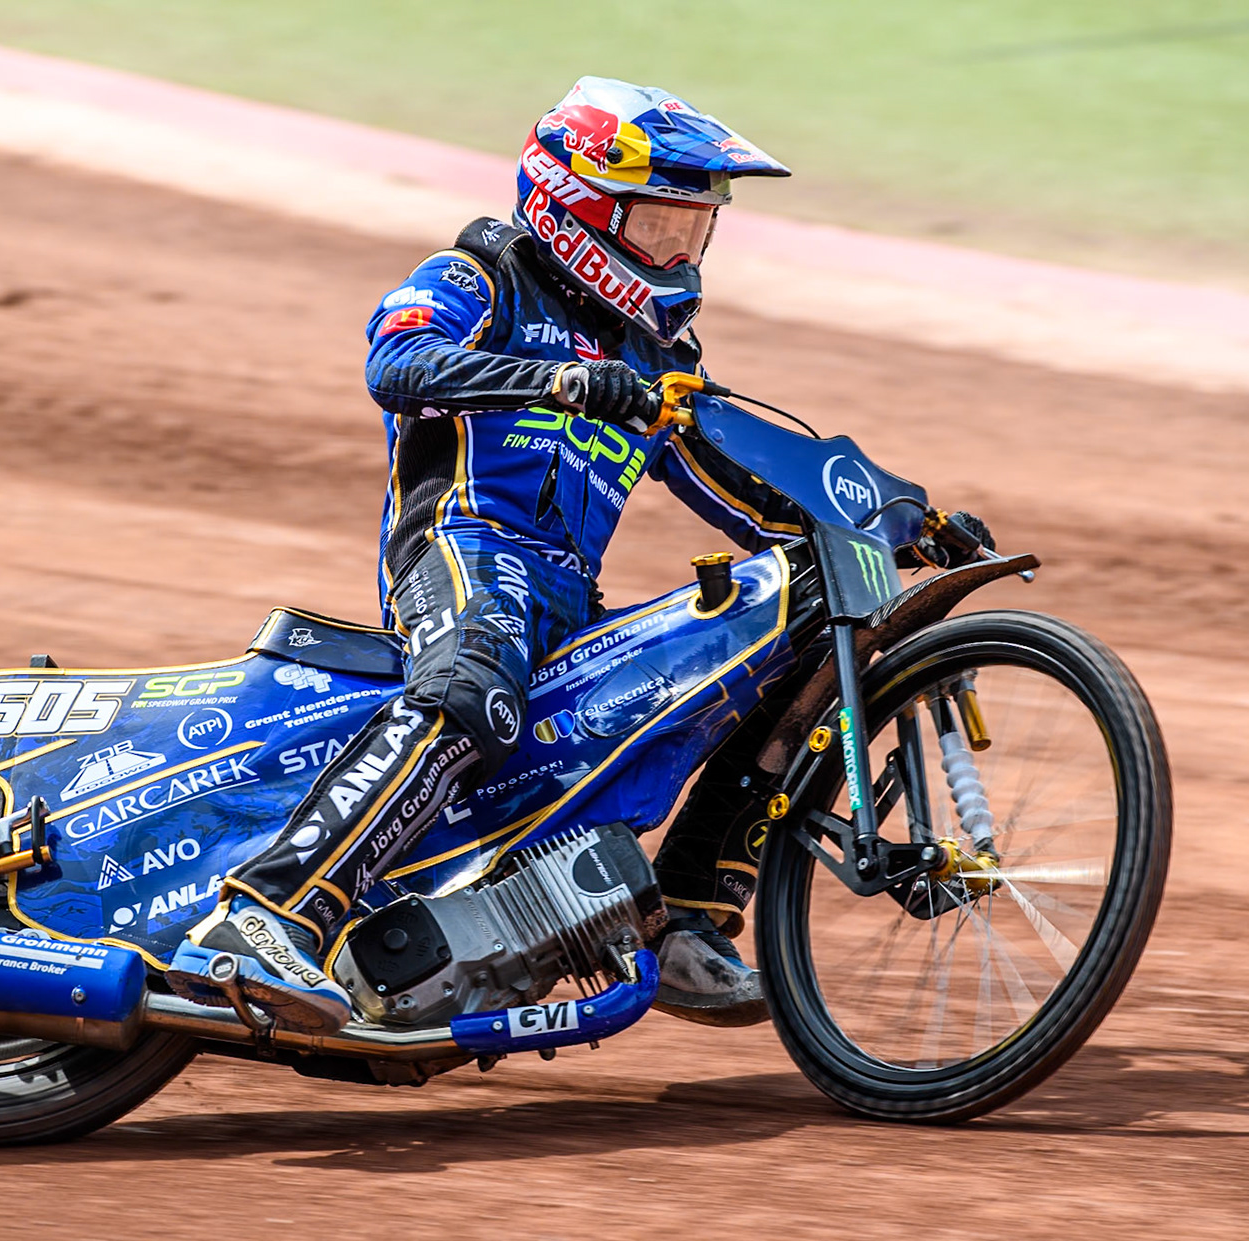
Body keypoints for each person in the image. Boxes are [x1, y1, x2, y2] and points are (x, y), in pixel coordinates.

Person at [167, 77, 806, 1033]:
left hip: (569, 591)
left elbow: (737, 491)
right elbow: (398, 366)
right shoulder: (480, 275)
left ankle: (681, 918)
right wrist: (565, 382)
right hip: (464, 546)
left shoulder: (660, 357)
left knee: (726, 680)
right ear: (579, 206)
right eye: (658, 225)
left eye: (695, 229)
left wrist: (886, 521)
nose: (681, 253)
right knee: (474, 695)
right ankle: (265, 914)